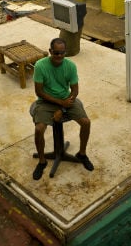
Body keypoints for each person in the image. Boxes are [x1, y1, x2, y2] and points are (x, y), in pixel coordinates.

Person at [30, 37, 93, 180]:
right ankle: (42, 161)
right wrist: (59, 103)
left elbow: (75, 90)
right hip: (46, 101)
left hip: (67, 100)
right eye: (56, 53)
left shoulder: (70, 65)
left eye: (62, 53)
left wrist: (63, 107)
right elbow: (39, 92)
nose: (59, 56)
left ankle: (82, 154)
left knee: (86, 122)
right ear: (50, 51)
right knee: (39, 129)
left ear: (65, 52)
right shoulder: (40, 65)